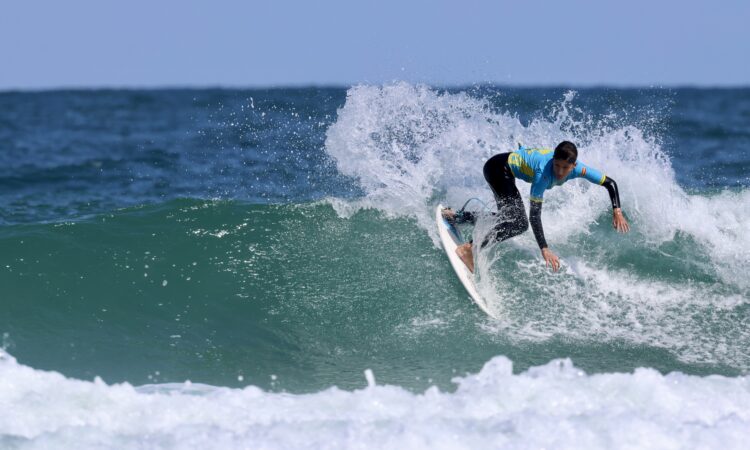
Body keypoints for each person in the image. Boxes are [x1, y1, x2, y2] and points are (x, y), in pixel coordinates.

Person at [443, 141, 630, 273]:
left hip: (503, 169)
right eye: (556, 165)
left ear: (573, 166)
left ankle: (458, 217)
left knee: (507, 218)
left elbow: (609, 183)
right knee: (519, 223)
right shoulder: (543, 174)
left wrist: (617, 210)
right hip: (498, 169)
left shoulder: (580, 170)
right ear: (553, 160)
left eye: (565, 168)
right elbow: (534, 216)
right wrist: (545, 248)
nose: (559, 171)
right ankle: (468, 249)